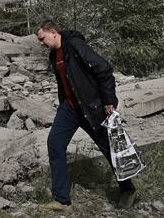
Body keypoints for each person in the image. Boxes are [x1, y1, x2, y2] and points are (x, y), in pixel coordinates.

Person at [35, 20, 136, 213]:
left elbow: (104, 69)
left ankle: (128, 190)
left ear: (54, 32)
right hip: (70, 109)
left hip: (91, 107)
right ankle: (63, 201)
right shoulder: (53, 55)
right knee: (55, 143)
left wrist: (109, 101)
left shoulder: (74, 45)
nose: (41, 43)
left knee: (109, 148)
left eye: (42, 39)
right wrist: (63, 103)